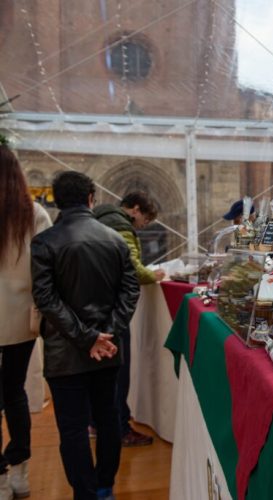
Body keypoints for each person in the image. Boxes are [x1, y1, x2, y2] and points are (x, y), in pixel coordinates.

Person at [31, 171, 140, 500]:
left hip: (66, 354)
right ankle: (105, 487)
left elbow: (46, 300)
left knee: (74, 428)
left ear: (56, 200)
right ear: (91, 198)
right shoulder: (115, 239)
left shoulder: (44, 242)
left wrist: (87, 337)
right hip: (107, 351)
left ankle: (86, 492)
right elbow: (130, 291)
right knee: (108, 420)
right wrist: (105, 335)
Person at [0, 144, 52, 500]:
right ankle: (20, 472)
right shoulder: (33, 214)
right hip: (20, 319)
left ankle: (0, 479)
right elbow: (45, 269)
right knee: (14, 392)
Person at [93, 192, 162, 447]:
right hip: (113, 311)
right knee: (118, 373)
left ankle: (98, 423)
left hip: (92, 308)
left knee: (101, 374)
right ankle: (119, 429)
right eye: (145, 219)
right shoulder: (121, 226)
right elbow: (131, 268)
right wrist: (152, 275)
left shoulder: (100, 218)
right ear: (135, 209)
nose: (143, 225)